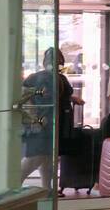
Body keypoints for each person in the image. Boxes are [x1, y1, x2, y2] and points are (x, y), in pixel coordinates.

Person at [20, 47, 82, 189]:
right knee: (36, 157)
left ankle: (47, 189)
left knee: (47, 157)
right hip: (44, 123)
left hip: (52, 122)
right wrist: (34, 120)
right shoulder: (41, 78)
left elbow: (57, 96)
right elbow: (30, 99)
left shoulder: (55, 78)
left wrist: (70, 98)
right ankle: (14, 184)